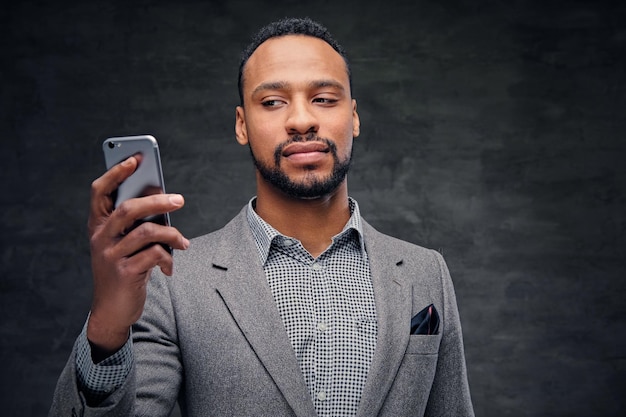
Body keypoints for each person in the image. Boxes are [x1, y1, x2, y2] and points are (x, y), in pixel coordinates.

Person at [49, 17, 474, 417]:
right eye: (272, 102)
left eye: (324, 99)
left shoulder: (426, 272)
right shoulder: (171, 280)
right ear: (242, 125)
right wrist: (107, 325)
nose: (302, 120)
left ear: (354, 116)